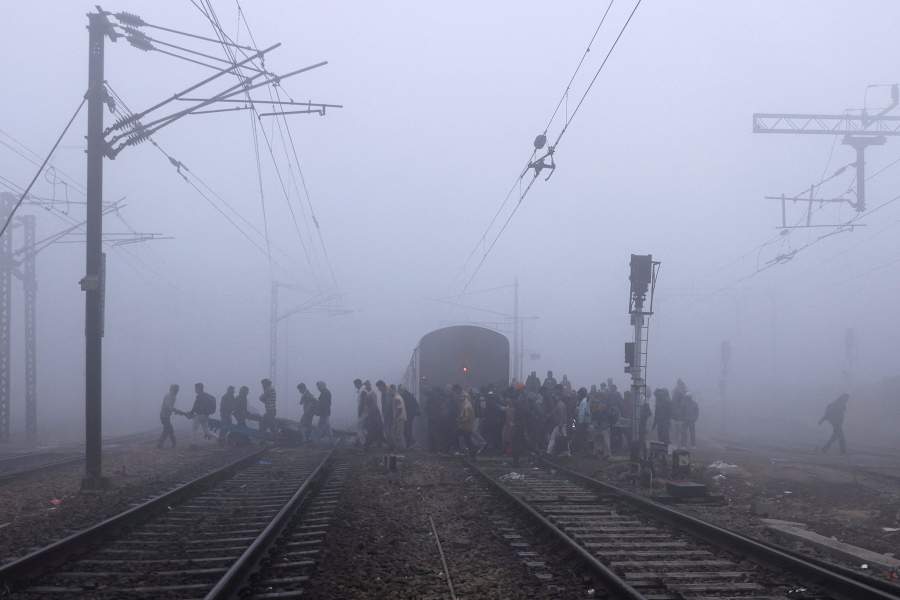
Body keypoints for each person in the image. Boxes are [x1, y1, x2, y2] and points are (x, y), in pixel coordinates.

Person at [189, 382, 216, 448]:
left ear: (199, 388)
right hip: (206, 415)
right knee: (206, 431)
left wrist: (191, 413)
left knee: (194, 429)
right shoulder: (206, 396)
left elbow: (195, 407)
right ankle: (219, 438)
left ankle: (193, 444)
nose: (195, 390)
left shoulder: (199, 396)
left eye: (196, 388)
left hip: (199, 415)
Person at [363, 380, 384, 449]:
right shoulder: (368, 393)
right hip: (372, 413)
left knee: (375, 428)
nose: (366, 386)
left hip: (374, 413)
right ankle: (373, 443)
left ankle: (374, 444)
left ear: (369, 385)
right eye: (365, 385)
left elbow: (374, 404)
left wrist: (370, 413)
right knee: (373, 429)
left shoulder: (372, 393)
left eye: (367, 385)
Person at [157, 384, 179, 449]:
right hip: (164, 416)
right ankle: (173, 443)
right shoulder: (168, 396)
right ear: (171, 390)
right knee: (169, 429)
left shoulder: (173, 397)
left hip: (167, 416)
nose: (176, 392)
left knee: (167, 429)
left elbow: (170, 407)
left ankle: (161, 444)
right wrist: (176, 410)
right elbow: (168, 406)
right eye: (175, 390)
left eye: (177, 391)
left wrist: (176, 410)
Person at [399, 384, 420, 449]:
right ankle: (411, 443)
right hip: (410, 415)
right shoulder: (408, 395)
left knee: (407, 429)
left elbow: (406, 407)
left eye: (400, 390)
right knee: (408, 429)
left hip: (408, 415)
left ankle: (411, 444)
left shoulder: (405, 396)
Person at [376, 380, 393, 450]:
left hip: (389, 414)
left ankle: (391, 446)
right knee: (387, 430)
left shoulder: (387, 392)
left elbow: (388, 404)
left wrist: (385, 414)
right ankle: (390, 445)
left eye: (378, 387)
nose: (378, 389)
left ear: (382, 385)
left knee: (388, 430)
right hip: (387, 414)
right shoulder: (385, 392)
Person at [392, 385, 407, 449]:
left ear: (393, 390)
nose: (389, 392)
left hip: (399, 418)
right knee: (399, 433)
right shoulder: (398, 397)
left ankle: (402, 448)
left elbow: (399, 409)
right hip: (400, 418)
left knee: (399, 434)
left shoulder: (397, 398)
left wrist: (395, 418)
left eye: (390, 391)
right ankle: (401, 448)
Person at [353, 378, 366, 446]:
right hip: (363, 411)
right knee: (361, 427)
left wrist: (360, 412)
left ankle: (363, 443)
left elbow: (362, 403)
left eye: (355, 385)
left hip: (363, 412)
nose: (355, 386)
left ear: (358, 384)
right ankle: (357, 441)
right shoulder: (361, 390)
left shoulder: (362, 390)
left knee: (359, 427)